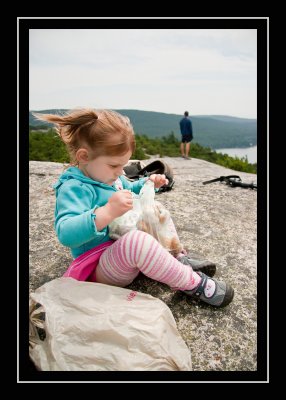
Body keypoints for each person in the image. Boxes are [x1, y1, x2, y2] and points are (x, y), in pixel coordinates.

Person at [34, 108, 234, 307]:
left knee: (155, 210)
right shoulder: (74, 188)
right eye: (114, 166)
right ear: (84, 156)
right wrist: (107, 212)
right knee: (136, 242)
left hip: (121, 248)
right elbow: (66, 233)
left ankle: (176, 257)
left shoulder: (107, 175)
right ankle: (193, 283)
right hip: (99, 265)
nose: (120, 172)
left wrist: (148, 182)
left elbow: (129, 186)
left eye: (124, 165)